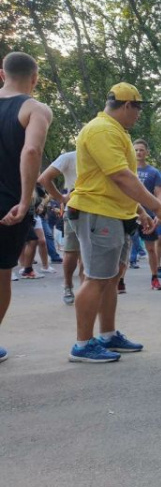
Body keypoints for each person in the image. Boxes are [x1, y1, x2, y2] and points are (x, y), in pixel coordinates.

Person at [67, 82, 161, 363]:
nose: (139, 114)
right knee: (96, 278)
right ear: (127, 105)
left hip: (116, 212)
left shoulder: (117, 132)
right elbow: (121, 177)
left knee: (112, 278)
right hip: (98, 212)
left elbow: (120, 181)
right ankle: (82, 344)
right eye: (138, 108)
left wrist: (139, 212)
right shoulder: (102, 130)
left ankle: (107, 334)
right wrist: (159, 208)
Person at [0, 52, 53, 363]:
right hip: (8, 203)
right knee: (2, 275)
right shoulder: (34, 109)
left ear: (2, 74)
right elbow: (31, 150)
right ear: (34, 78)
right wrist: (24, 199)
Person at [39, 150, 81, 304]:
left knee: (89, 254)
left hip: (100, 210)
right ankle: (68, 285)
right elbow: (44, 178)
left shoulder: (104, 154)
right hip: (76, 210)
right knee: (71, 251)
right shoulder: (69, 157)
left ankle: (86, 290)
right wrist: (61, 198)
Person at [133, 139, 161, 291]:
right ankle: (119, 281)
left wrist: (159, 211)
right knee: (122, 249)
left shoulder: (153, 172)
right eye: (136, 150)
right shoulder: (127, 169)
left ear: (147, 152)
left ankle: (155, 278)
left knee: (151, 249)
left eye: (141, 150)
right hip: (128, 214)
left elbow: (159, 193)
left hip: (148, 215)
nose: (138, 152)